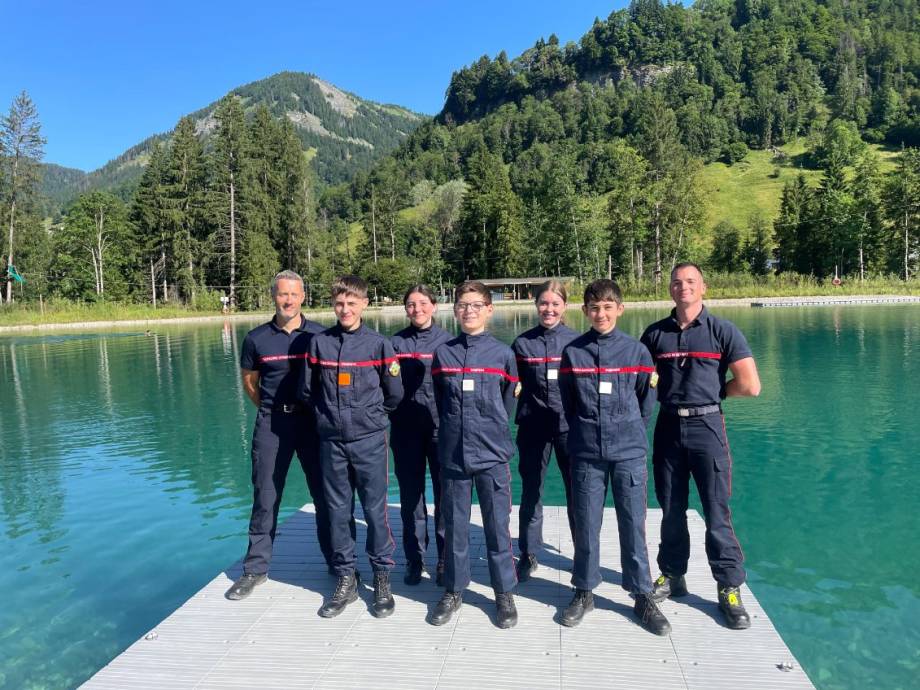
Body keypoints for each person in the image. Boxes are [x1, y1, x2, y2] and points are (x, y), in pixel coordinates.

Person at [640, 262, 761, 630]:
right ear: (670, 290)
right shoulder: (654, 334)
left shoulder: (723, 331)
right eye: (677, 282)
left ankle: (728, 586)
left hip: (708, 425)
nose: (684, 288)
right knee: (671, 508)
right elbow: (641, 382)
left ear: (703, 287)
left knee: (716, 509)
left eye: (691, 282)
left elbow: (750, 385)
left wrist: (716, 393)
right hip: (668, 427)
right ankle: (673, 574)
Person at [557, 279, 670, 634]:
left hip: (628, 452)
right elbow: (568, 402)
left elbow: (645, 404)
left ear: (620, 309)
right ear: (585, 311)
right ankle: (584, 590)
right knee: (586, 522)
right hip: (587, 451)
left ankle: (641, 594)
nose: (601, 313)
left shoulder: (637, 353)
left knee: (633, 522)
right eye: (594, 307)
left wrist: (626, 431)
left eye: (607, 307)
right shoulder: (573, 353)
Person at [300, 275, 403, 618]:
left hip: (369, 441)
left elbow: (394, 394)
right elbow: (308, 390)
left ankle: (382, 576)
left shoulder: (379, 345)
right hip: (331, 442)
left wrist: (369, 418)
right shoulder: (319, 344)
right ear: (334, 305)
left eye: (351, 303)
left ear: (364, 304)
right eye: (339, 303)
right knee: (337, 512)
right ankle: (346, 577)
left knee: (376, 512)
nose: (345, 309)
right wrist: (326, 418)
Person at [226, 270, 332, 600]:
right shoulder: (257, 338)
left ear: (303, 297)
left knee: (326, 495)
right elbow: (249, 382)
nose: (288, 300)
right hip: (272, 426)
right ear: (274, 296)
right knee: (266, 496)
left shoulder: (319, 335)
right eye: (282, 294)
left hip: (312, 426)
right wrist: (274, 407)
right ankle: (255, 569)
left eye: (294, 295)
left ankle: (339, 564)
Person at [428, 281, 520, 628]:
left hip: (493, 454)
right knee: (455, 528)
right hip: (453, 454)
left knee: (498, 527)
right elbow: (440, 400)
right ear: (455, 310)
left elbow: (509, 399)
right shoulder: (443, 354)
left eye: (476, 305)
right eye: (463, 305)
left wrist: (490, 428)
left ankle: (503, 592)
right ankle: (454, 589)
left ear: (489, 309)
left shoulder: (503, 355)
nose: (469, 311)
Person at [511, 280, 578, 581]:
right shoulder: (522, 344)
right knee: (531, 492)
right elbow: (509, 385)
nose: (548, 309)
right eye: (543, 303)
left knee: (577, 493)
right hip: (533, 427)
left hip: (569, 429)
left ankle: (583, 553)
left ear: (564, 306)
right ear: (536, 305)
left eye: (555, 303)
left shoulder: (577, 343)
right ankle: (528, 553)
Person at [390, 284, 453, 586]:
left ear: (434, 306)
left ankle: (443, 559)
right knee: (410, 498)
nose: (417, 309)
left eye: (423, 303)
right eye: (411, 304)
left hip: (442, 430)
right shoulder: (394, 344)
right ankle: (415, 559)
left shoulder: (449, 343)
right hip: (405, 431)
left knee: (445, 497)